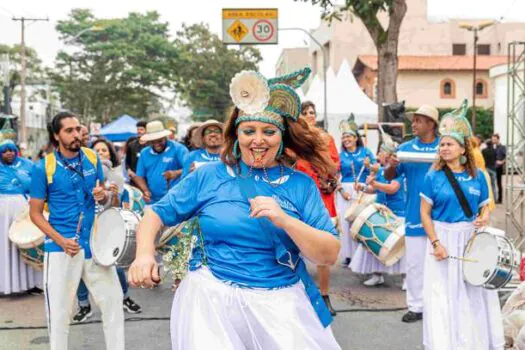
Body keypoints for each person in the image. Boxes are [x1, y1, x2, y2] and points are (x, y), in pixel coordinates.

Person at [128, 67, 341, 349]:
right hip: (212, 299)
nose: (258, 139)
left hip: (280, 301)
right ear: (236, 134)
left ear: (282, 137)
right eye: (249, 130)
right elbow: (155, 213)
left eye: (268, 131)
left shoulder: (300, 185)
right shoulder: (210, 175)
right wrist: (144, 254)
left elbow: (327, 254)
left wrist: (285, 220)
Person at [29, 112, 125, 350]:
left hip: (94, 244)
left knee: (113, 303)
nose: (76, 135)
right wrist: (61, 241)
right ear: (56, 135)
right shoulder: (44, 168)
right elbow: (35, 214)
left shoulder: (92, 158)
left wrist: (104, 196)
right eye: (68, 131)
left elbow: (104, 197)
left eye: (78, 129)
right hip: (61, 249)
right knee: (60, 314)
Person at [420, 110, 504, 349]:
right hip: (442, 237)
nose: (444, 148)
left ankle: (473, 342)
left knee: (472, 293)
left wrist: (484, 218)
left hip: (470, 238)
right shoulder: (432, 177)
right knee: (442, 295)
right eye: (442, 144)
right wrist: (436, 243)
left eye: (449, 144)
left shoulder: (477, 176)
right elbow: (424, 214)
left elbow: (485, 207)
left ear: (462, 149)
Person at [73, 138, 141, 323]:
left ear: (111, 154)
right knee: (80, 267)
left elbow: (119, 209)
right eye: (97, 150)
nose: (101, 153)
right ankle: (84, 305)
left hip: (106, 229)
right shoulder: (79, 175)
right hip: (84, 228)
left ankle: (124, 298)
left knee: (113, 266)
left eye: (104, 150)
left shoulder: (117, 179)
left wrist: (113, 195)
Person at [384, 104, 440, 323]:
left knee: (440, 263)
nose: (413, 124)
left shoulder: (443, 147)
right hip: (415, 215)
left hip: (441, 216)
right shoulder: (406, 148)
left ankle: (437, 305)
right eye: (413, 120)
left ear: (431, 124)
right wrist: (391, 164)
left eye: (418, 121)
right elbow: (390, 175)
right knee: (415, 264)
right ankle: (416, 307)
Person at [295, 100, 340, 316]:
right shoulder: (293, 140)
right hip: (298, 198)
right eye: (305, 112)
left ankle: (324, 296)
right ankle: (299, 295)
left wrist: (320, 155)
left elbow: (333, 165)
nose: (310, 116)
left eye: (312, 112)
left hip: (323, 198)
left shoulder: (325, 138)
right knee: (294, 249)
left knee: (323, 249)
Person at [350, 142, 406, 287]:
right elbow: (374, 190)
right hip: (381, 211)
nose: (378, 154)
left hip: (397, 212)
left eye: (381, 152)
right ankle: (377, 275)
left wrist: (374, 184)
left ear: (388, 155)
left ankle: (407, 278)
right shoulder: (380, 170)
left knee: (400, 246)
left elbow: (392, 188)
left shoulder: (399, 171)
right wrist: (362, 186)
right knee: (375, 244)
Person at [0, 140, 42, 295]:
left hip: (24, 210)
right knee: (4, 247)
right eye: (4, 151)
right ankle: (4, 285)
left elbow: (38, 185)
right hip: (3, 213)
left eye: (11, 150)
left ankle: (33, 283)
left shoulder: (28, 165)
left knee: (28, 245)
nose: (8, 153)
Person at [335, 115, 376, 266]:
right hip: (346, 190)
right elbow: (334, 176)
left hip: (364, 190)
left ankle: (363, 257)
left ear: (355, 138)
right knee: (347, 224)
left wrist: (370, 166)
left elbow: (376, 170)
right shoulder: (340, 156)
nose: (346, 140)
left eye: (349, 137)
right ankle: (349, 256)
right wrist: (341, 191)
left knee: (362, 222)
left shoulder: (365, 152)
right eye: (344, 137)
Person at [133, 121, 189, 204]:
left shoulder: (179, 149)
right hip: (153, 200)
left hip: (176, 198)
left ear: (165, 137)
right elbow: (139, 175)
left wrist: (176, 173)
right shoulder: (144, 153)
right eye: (153, 141)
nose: (156, 144)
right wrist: (145, 190)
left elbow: (191, 168)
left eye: (159, 141)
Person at [471, 135, 496, 212]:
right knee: (492, 188)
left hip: (480, 173)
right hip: (485, 171)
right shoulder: (477, 150)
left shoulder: (474, 152)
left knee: (483, 195)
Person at [125, 120, 148, 187]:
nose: (139, 131)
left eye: (141, 129)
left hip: (147, 178)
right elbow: (127, 161)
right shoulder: (132, 144)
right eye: (138, 129)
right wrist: (129, 170)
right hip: (134, 178)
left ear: (147, 130)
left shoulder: (151, 145)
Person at [493, 133, 506, 204]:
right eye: (492, 139)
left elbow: (506, 156)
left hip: (499, 167)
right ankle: (495, 197)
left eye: (494, 139)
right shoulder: (494, 147)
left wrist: (502, 162)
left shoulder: (502, 147)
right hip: (494, 167)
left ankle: (500, 199)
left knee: (499, 183)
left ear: (498, 139)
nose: (493, 140)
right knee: (494, 183)